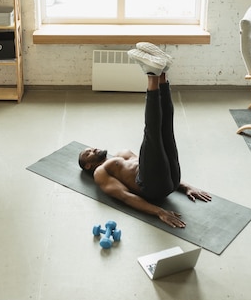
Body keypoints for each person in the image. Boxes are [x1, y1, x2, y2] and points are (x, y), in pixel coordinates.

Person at [78, 42, 211, 228]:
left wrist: (185, 186)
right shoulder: (101, 172)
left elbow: (156, 162)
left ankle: (162, 72)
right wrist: (159, 212)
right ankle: (152, 74)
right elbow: (126, 197)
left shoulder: (119, 156)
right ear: (88, 165)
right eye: (88, 153)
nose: (92, 148)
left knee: (166, 128)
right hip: (153, 187)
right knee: (152, 132)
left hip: (171, 179)